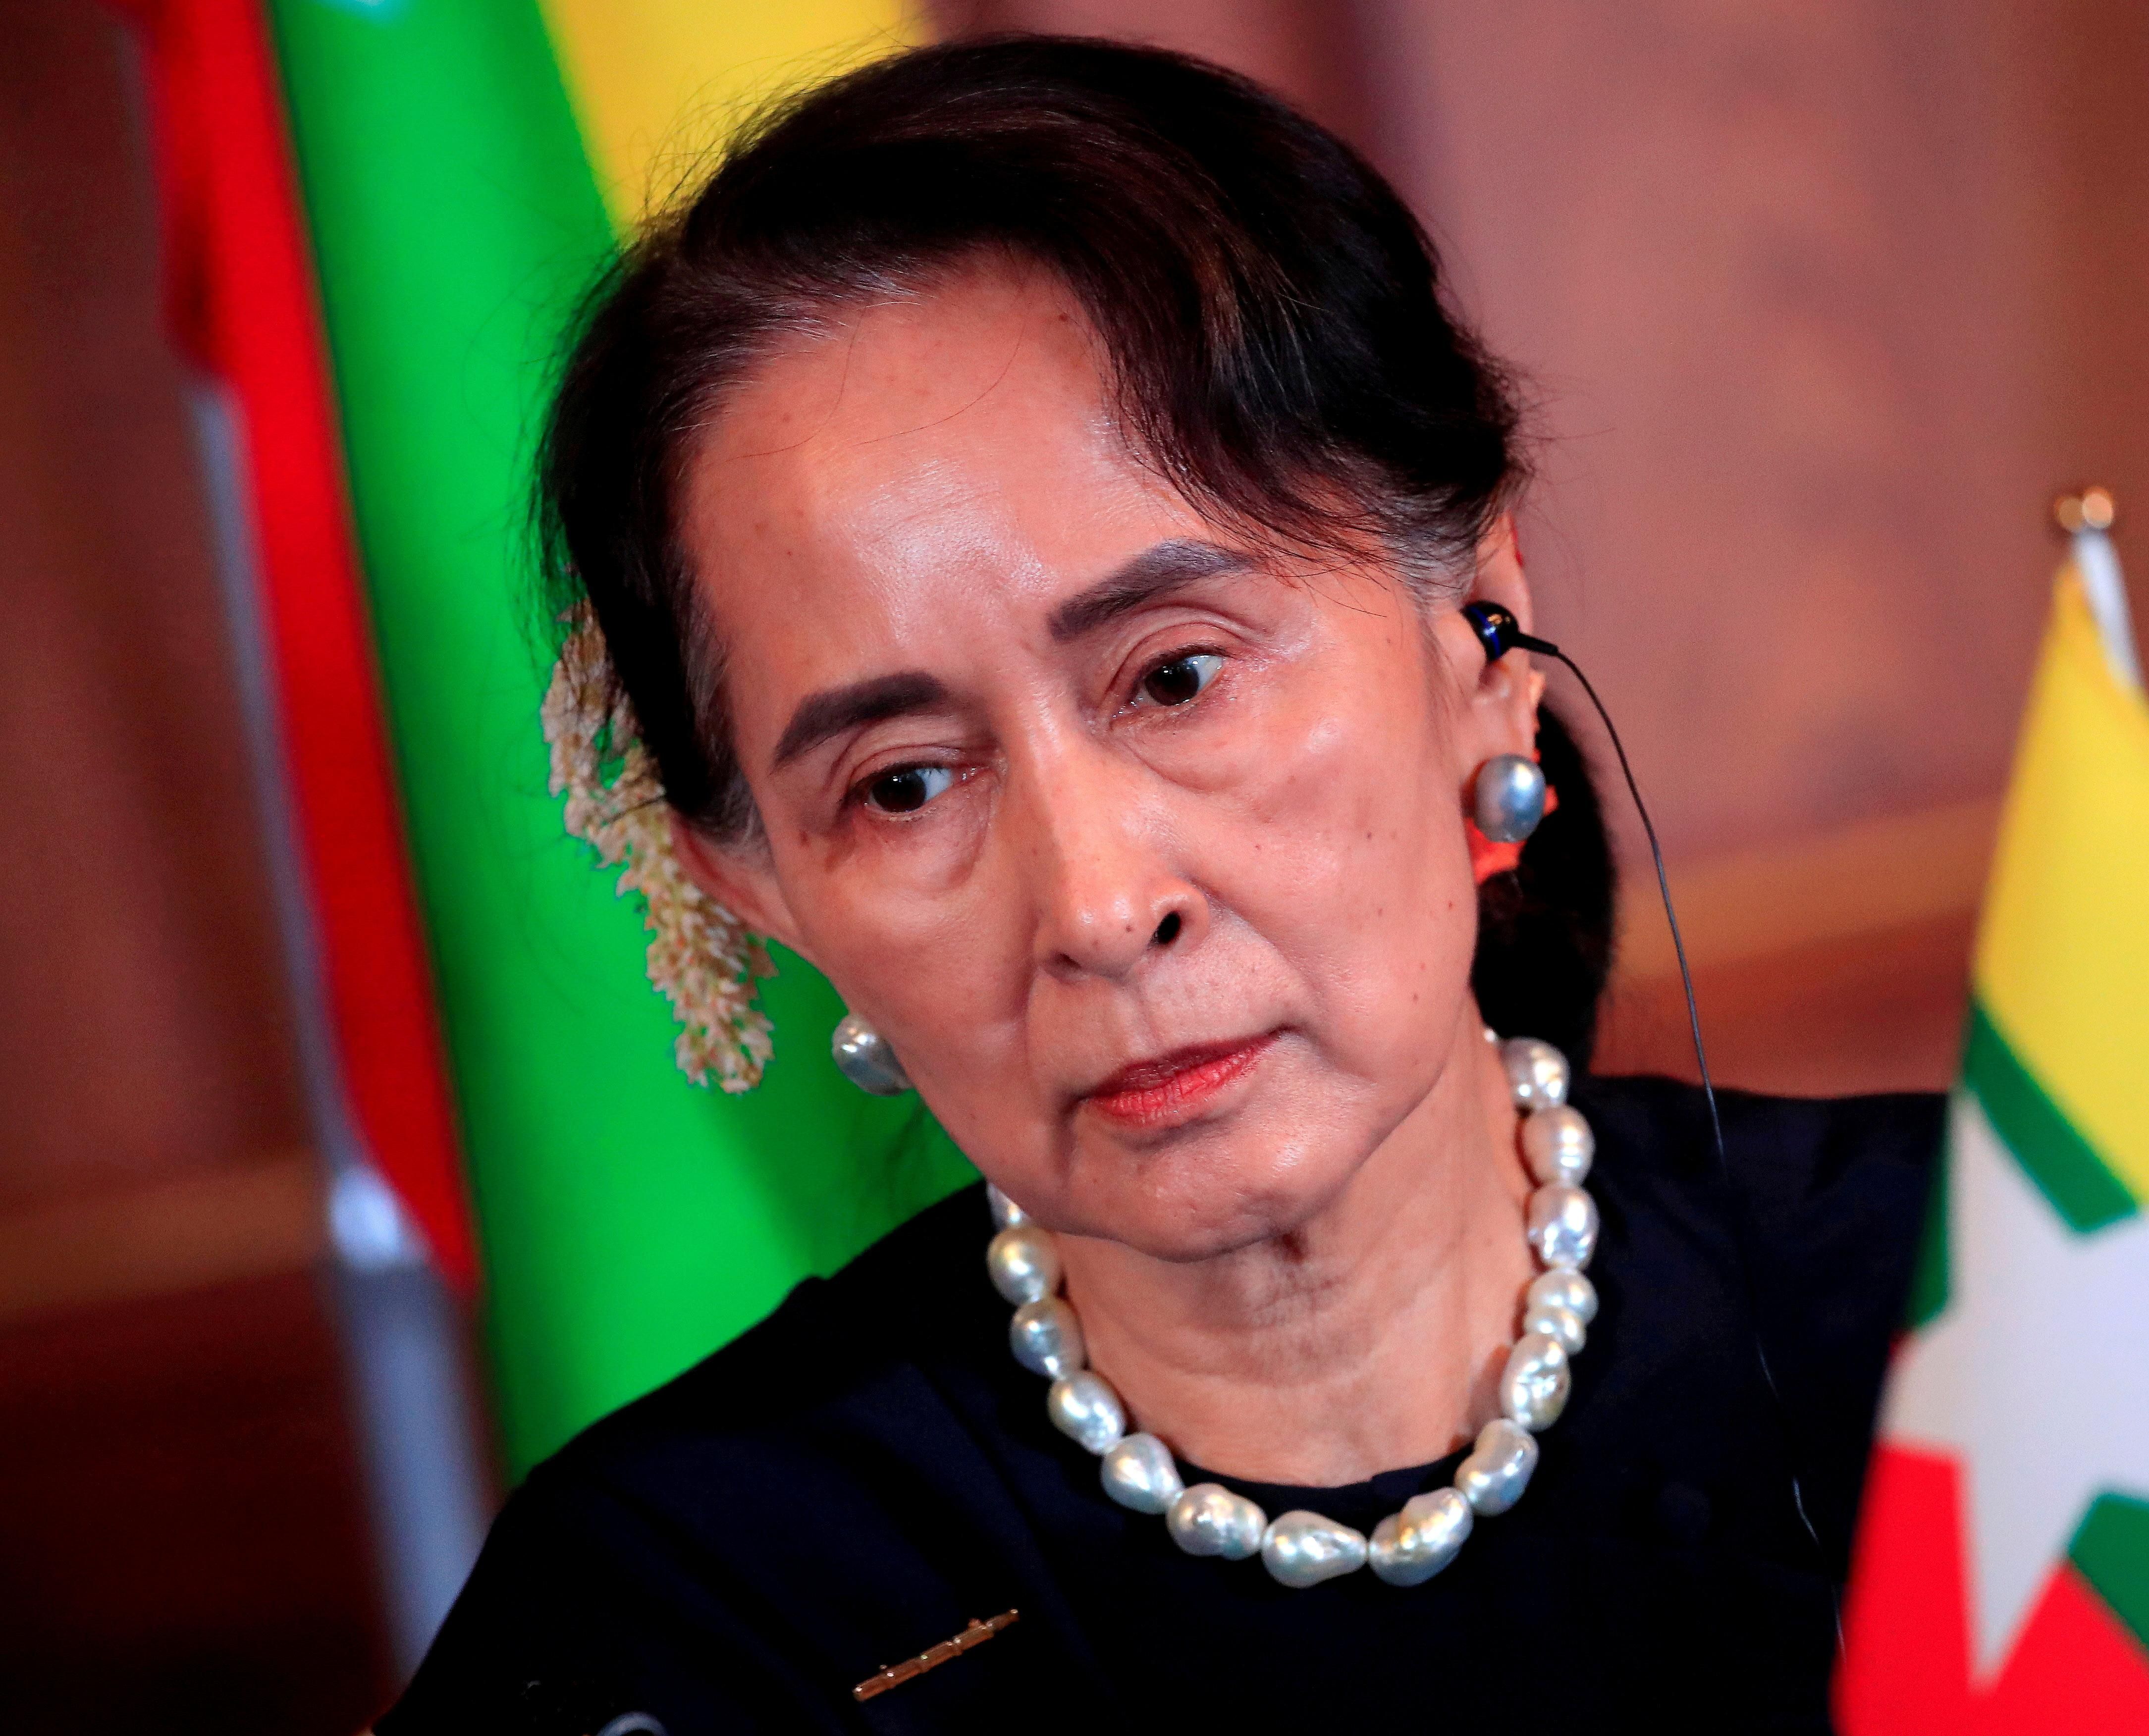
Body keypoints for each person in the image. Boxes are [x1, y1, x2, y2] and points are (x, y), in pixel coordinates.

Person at [381, 35, 1936, 1735]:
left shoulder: (2010, 1300)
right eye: (901, 785)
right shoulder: (678, 1614)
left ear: (1481, 629)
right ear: (749, 882)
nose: (1102, 906)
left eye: (1176, 676)